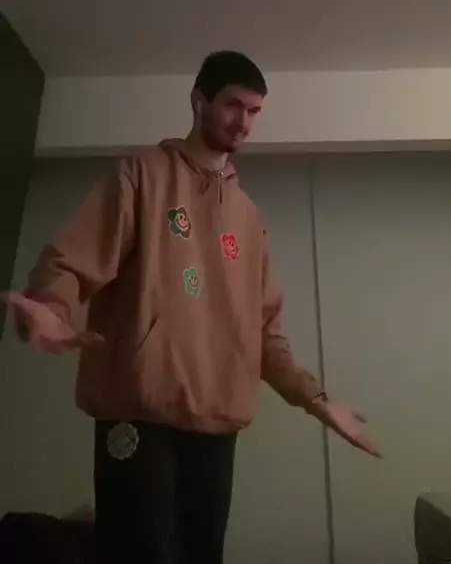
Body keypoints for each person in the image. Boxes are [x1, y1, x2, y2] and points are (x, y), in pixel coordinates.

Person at [1, 50, 381, 564]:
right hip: (139, 418)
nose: (243, 122)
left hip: (217, 426)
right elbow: (71, 259)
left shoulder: (248, 217)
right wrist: (51, 306)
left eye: (254, 111)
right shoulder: (141, 174)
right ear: (199, 101)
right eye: (232, 105)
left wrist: (316, 399)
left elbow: (265, 333)